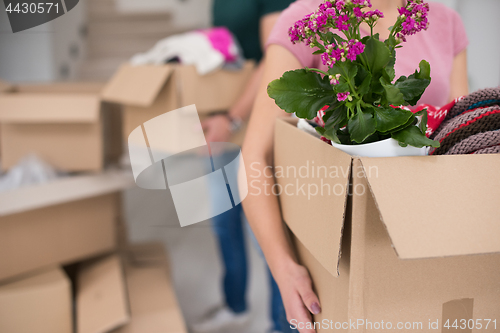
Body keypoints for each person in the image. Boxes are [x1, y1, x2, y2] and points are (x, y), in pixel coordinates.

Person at [241, 1, 468, 332]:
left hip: (424, 235)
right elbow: (254, 157)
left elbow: (455, 131)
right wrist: (283, 268)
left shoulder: (446, 20)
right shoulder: (308, 16)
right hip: (326, 251)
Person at [193, 1, 296, 333]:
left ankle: (280, 325)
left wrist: (232, 117)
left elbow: (275, 57)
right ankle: (235, 306)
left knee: (263, 233)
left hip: (254, 121)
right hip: (222, 123)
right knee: (224, 223)